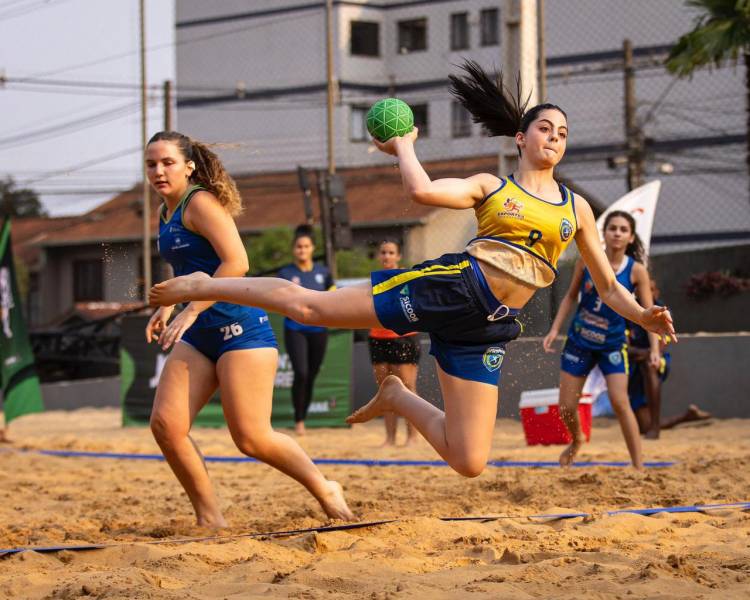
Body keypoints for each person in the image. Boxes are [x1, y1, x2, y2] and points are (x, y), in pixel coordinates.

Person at [149, 61, 676, 478]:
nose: (555, 137)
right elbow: (422, 191)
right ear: (521, 137)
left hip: (487, 326)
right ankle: (206, 283)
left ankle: (399, 396)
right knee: (312, 306)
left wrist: (642, 316)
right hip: (451, 287)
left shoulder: (576, 208)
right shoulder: (492, 187)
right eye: (545, 127)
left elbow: (608, 287)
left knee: (469, 461)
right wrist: (404, 146)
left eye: (563, 131)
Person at [144, 130, 351, 527]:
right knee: (166, 426)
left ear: (188, 167)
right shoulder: (164, 211)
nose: (158, 170)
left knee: (252, 439)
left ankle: (325, 487)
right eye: (151, 164)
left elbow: (236, 263)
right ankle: (210, 519)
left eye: (167, 162)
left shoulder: (199, 202)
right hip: (201, 333)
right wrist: (170, 306)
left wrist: (191, 309)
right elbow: (188, 268)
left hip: (241, 328)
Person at [543, 211, 659, 467]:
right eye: (612, 228)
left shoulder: (636, 271)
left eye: (623, 229)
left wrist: (654, 349)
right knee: (565, 407)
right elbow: (571, 297)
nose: (617, 232)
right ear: (603, 233)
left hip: (612, 345)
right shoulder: (586, 261)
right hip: (579, 341)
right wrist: (554, 329)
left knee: (620, 402)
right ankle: (577, 440)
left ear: (630, 238)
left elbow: (649, 314)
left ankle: (638, 466)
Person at [627, 278, 711, 437]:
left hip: (654, 361)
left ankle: (655, 428)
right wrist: (641, 352)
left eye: (650, 289)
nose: (645, 293)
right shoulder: (629, 312)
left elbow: (660, 346)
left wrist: (648, 353)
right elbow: (624, 346)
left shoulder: (662, 312)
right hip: (633, 368)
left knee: (651, 364)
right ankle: (686, 417)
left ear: (656, 292)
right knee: (643, 426)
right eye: (640, 290)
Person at [277, 225, 334, 436]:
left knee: (311, 375)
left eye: (306, 246)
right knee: (300, 372)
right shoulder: (285, 273)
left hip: (319, 330)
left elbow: (333, 298)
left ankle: (304, 415)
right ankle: (298, 420)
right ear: (294, 249)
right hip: (295, 329)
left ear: (312, 248)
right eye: (299, 247)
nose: (302, 250)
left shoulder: (323, 273)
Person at [367, 240, 420, 446]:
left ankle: (413, 437)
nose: (387, 256)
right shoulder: (374, 280)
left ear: (398, 256)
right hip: (378, 337)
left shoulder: (406, 277)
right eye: (383, 252)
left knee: (407, 387)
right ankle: (389, 438)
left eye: (391, 252)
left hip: (403, 337)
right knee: (385, 390)